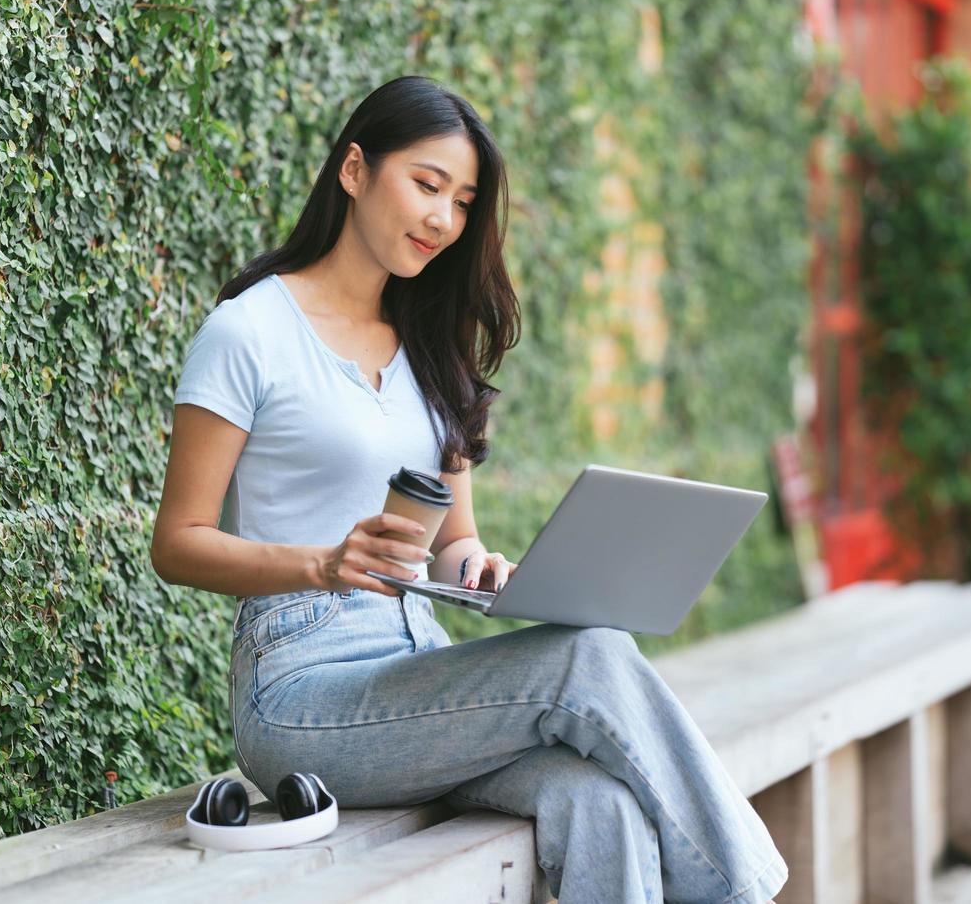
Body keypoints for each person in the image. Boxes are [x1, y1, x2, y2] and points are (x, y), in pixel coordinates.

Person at [149, 75, 788, 903]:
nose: (443, 219)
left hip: (419, 668)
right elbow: (178, 542)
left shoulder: (429, 348)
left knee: (600, 804)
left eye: (462, 200)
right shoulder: (249, 331)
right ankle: (748, 893)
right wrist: (322, 564)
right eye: (426, 185)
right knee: (589, 657)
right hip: (300, 696)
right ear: (353, 171)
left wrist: (479, 568)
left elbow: (451, 545)